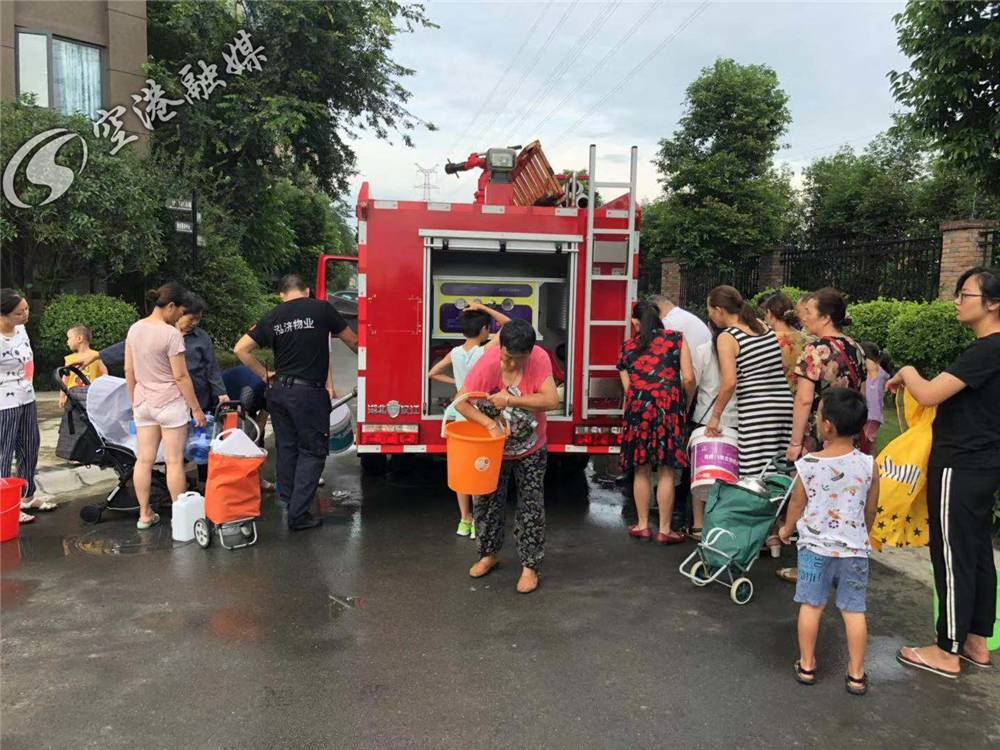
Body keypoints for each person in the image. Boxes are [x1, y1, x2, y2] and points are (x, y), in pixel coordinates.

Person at [890, 266, 1000, 679]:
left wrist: (907, 371)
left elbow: (930, 392)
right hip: (984, 464)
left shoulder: (986, 350)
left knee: (952, 555)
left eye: (966, 294)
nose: (957, 300)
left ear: (993, 304)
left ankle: (946, 649)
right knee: (975, 554)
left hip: (960, 464)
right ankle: (976, 641)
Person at [234, 274, 358, 531]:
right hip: (308, 394)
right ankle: (298, 515)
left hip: (278, 392)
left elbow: (240, 349)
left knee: (288, 447)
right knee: (312, 451)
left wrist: (263, 374)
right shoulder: (322, 309)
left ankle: (288, 499)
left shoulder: (273, 316)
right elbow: (353, 340)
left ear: (282, 294)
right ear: (308, 290)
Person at [778, 387, 879, 696]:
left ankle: (807, 664)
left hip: (815, 551)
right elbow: (871, 507)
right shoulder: (869, 465)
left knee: (811, 606)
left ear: (826, 426)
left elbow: (797, 504)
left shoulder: (808, 465)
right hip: (855, 551)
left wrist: (786, 529)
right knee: (853, 610)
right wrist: (863, 530)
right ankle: (857, 673)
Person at [455, 319, 559, 594]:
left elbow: (551, 401)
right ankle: (488, 555)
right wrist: (490, 425)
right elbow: (460, 401)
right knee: (487, 502)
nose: (511, 365)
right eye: (507, 358)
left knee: (531, 506)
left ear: (530, 352)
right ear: (500, 347)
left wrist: (510, 400)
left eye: (518, 360)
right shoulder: (488, 362)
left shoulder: (539, 359)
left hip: (531, 449)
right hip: (493, 450)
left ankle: (530, 567)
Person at [779, 288, 866, 583]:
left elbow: (804, 400)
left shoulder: (815, 350)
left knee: (810, 500)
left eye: (810, 313)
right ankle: (838, 562)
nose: (804, 318)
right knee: (841, 500)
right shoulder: (857, 348)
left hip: (820, 432)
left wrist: (794, 443)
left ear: (826, 317)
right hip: (848, 434)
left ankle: (808, 566)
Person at [125, 283, 206, 530]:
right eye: (179, 312)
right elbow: (181, 377)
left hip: (143, 403)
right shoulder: (170, 334)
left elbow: (129, 369)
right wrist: (196, 409)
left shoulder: (135, 328)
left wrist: (134, 400)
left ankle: (144, 514)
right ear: (170, 306)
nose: (180, 317)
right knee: (173, 462)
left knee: (144, 460)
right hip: (170, 403)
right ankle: (181, 520)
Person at [427, 301, 510, 539]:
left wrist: (457, 383)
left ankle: (465, 520)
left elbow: (432, 373)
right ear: (485, 329)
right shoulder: (485, 350)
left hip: (456, 413)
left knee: (461, 468)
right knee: (479, 467)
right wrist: (484, 307)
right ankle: (479, 523)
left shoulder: (454, 353)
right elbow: (509, 325)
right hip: (477, 414)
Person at [618, 300, 695, 544]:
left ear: (635, 322)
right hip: (668, 407)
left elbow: (628, 388)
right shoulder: (677, 339)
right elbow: (690, 378)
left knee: (640, 468)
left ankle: (641, 525)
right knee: (667, 470)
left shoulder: (627, 347)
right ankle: (664, 529)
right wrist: (684, 401)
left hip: (638, 408)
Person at [705, 286, 793, 478]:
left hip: (756, 411)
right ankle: (781, 507)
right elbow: (784, 364)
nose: (710, 317)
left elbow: (729, 382)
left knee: (755, 473)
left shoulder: (727, 337)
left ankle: (759, 508)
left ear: (719, 310)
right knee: (780, 469)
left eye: (710, 312)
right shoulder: (762, 325)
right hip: (784, 406)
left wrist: (716, 416)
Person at [649, 294, 711, 531]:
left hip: (685, 394)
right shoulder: (689, 319)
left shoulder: (670, 326)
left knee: (672, 461)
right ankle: (680, 512)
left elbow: (686, 375)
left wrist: (683, 403)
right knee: (680, 455)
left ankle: (675, 514)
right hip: (698, 390)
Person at [0, 289, 55, 524]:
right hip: (4, 402)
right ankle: (5, 506)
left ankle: (27, 495)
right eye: (18, 313)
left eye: (26, 310)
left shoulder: (21, 330)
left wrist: (28, 383)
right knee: (4, 452)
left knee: (30, 445)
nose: (25, 315)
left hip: (26, 397)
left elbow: (28, 360)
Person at [688, 321, 738, 539]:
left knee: (700, 474)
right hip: (734, 419)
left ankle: (698, 525)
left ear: (710, 326)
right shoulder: (741, 348)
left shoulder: (703, 350)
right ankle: (723, 525)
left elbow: (693, 381)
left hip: (705, 419)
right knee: (729, 475)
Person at [222, 364, 274, 492]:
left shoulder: (273, 393)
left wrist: (254, 443)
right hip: (228, 400)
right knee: (233, 443)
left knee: (257, 442)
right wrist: (246, 445)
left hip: (245, 406)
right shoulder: (253, 388)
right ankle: (235, 483)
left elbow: (262, 419)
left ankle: (256, 479)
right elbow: (242, 419)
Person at [759, 292, 806, 390]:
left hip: (777, 392)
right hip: (800, 391)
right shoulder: (801, 337)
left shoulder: (771, 339)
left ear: (769, 313)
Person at [858, 341, 893, 455]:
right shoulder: (882, 372)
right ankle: (874, 467)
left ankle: (870, 467)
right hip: (874, 415)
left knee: (864, 445)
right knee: (870, 445)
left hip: (870, 415)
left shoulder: (873, 369)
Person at [60, 325, 107, 408]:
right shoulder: (69, 359)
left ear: (79, 339)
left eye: (69, 338)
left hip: (91, 397)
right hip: (73, 398)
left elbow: (105, 375)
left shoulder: (95, 356)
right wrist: (62, 396)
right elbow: (65, 380)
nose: (67, 342)